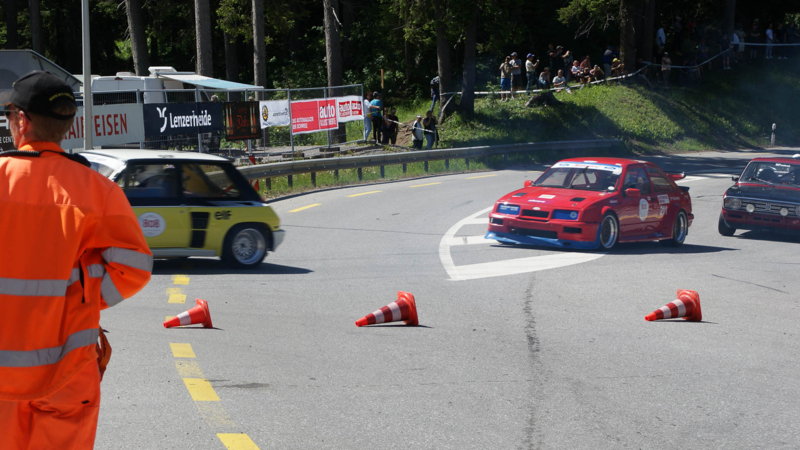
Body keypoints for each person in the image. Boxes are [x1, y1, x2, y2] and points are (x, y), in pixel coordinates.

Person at [0, 71, 152, 449]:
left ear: (21, 120)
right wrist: (84, 293)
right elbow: (135, 268)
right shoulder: (100, 191)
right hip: (68, 371)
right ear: (68, 124)